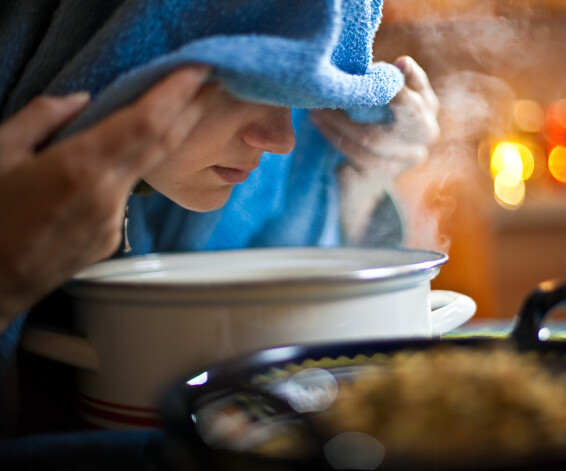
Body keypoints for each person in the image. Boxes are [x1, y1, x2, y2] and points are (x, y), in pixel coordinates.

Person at [0, 0, 439, 468]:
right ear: (114, 51)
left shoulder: (283, 165)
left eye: (292, 96)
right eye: (241, 77)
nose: (282, 140)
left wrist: (363, 180)